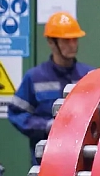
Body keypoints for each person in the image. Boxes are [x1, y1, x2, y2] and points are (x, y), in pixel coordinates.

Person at [9, 12, 94, 159]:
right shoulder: (35, 77)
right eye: (66, 41)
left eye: (75, 39)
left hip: (81, 156)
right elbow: (16, 113)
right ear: (51, 42)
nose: (72, 45)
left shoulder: (89, 76)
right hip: (46, 157)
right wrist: (46, 126)